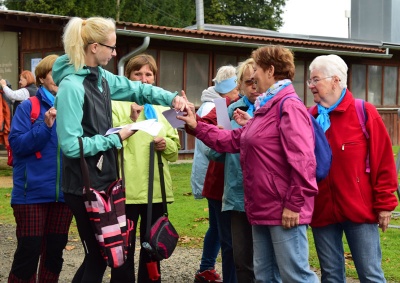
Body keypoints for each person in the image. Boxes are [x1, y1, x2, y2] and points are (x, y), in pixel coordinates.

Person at [52, 17, 187, 283]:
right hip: (82, 186)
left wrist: (171, 98)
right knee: (98, 256)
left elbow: (137, 88)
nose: (114, 53)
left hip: (104, 182)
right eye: (111, 47)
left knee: (103, 256)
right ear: (93, 47)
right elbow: (70, 145)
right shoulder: (71, 87)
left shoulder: (101, 78)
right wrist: (116, 138)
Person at [179, 45, 319, 283]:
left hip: (282, 209)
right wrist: (196, 126)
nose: (253, 78)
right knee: (264, 276)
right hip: (261, 207)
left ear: (271, 71)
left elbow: (304, 160)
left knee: (296, 276)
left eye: (257, 70)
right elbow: (234, 140)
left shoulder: (288, 106)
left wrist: (294, 204)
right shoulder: (267, 106)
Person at [307, 54, 399, 283]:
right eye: (310, 80)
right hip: (322, 210)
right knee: (330, 276)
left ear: (335, 80)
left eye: (315, 80)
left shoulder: (364, 112)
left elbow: (384, 161)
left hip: (359, 211)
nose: (310, 86)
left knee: (370, 274)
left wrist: (385, 205)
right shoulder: (310, 117)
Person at [111, 54, 181, 282]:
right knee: (124, 249)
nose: (144, 79)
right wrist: (130, 124)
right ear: (128, 77)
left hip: (156, 190)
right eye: (137, 74)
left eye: (148, 74)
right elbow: (108, 142)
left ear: (155, 76)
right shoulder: (114, 104)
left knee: (153, 249)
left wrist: (166, 143)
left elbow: (176, 149)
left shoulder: (167, 106)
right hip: (126, 190)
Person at [7, 54, 73, 282]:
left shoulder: (74, 106)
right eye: (55, 72)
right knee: (28, 254)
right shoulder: (29, 106)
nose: (60, 78)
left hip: (64, 195)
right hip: (31, 194)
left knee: (54, 256)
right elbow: (16, 145)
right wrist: (44, 126)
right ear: (42, 77)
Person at [208, 58, 259, 283]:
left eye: (258, 81)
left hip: (267, 197)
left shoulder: (274, 110)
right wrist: (218, 138)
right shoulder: (229, 110)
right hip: (238, 196)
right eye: (249, 82)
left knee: (268, 260)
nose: (255, 87)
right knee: (241, 260)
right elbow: (215, 156)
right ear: (240, 86)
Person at [190, 65, 239, 283]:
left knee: (219, 230)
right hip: (219, 181)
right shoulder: (221, 106)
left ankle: (206, 267)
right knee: (226, 236)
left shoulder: (218, 103)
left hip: (214, 180)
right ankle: (208, 267)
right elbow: (209, 143)